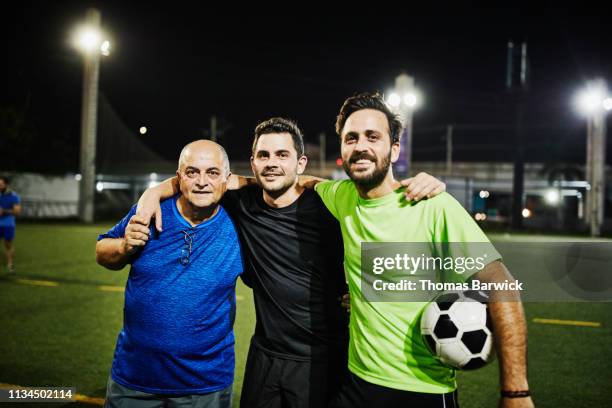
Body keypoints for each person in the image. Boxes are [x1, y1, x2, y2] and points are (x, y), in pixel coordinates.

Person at [137, 118, 447, 408]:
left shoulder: (329, 205)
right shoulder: (240, 202)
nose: (272, 163)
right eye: (264, 155)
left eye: (282, 154)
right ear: (254, 161)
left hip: (324, 360)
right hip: (265, 357)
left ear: (300, 163)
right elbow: (195, 177)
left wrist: (420, 184)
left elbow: (380, 218)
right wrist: (153, 192)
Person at [311, 92, 534, 407]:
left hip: (421, 391)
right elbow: (303, 182)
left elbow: (503, 285)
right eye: (351, 138)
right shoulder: (341, 195)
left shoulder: (432, 205)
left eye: (372, 137)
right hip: (355, 383)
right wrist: (236, 181)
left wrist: (516, 393)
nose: (360, 146)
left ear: (395, 148)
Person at [96, 140, 242, 408]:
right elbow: (102, 251)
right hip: (133, 378)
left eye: (212, 172)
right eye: (192, 172)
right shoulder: (151, 211)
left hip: (205, 384)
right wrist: (125, 246)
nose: (201, 181)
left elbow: (279, 181)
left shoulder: (242, 224)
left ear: (227, 179)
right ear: (178, 178)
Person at [0, 176, 21, 274]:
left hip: (8, 224)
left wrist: (4, 211)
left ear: (6, 184)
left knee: (8, 245)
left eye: (0, 184)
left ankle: (10, 265)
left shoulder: (13, 196)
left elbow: (16, 211)